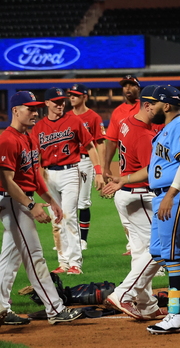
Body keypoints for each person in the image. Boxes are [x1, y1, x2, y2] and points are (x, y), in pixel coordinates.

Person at [103, 85, 180, 334]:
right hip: (166, 194)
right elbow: (156, 169)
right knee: (159, 251)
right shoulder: (164, 130)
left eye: (151, 103)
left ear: (166, 105)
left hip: (173, 196)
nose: (148, 107)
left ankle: (176, 316)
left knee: (172, 256)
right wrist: (125, 179)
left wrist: (173, 194)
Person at [0, 91, 84, 324]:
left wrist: (50, 200)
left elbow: (34, 177)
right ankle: (55, 310)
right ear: (15, 111)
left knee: (10, 258)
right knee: (35, 256)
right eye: (30, 108)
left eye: (37, 108)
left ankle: (1, 308)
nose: (35, 112)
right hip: (13, 201)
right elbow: (7, 180)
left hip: (22, 200)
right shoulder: (7, 139)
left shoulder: (27, 137)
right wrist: (30, 205)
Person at [103, 85, 170, 321]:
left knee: (141, 252)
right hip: (139, 196)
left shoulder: (127, 120)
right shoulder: (143, 135)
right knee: (161, 249)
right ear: (148, 106)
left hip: (127, 197)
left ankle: (146, 304)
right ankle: (123, 293)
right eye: (162, 106)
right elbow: (151, 174)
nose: (166, 110)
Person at [31, 87, 104, 275]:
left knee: (69, 215)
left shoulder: (74, 121)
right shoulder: (38, 128)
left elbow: (91, 146)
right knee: (57, 218)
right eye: (56, 102)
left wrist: (98, 172)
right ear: (46, 103)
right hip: (48, 175)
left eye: (62, 101)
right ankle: (63, 262)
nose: (60, 104)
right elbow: (34, 157)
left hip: (71, 171)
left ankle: (75, 263)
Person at [103, 75, 141, 256]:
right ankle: (133, 246)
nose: (128, 88)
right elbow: (111, 141)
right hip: (125, 172)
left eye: (132, 85)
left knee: (146, 219)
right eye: (125, 86)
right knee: (126, 214)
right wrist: (105, 166)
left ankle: (147, 254)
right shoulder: (117, 112)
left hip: (144, 171)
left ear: (138, 88)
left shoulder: (146, 108)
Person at [67, 83, 106, 250]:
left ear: (84, 97)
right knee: (67, 202)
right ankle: (69, 238)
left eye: (75, 95)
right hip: (68, 162)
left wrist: (101, 169)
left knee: (82, 202)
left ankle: (82, 240)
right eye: (70, 95)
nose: (72, 97)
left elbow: (100, 143)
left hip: (86, 161)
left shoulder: (94, 117)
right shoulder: (66, 116)